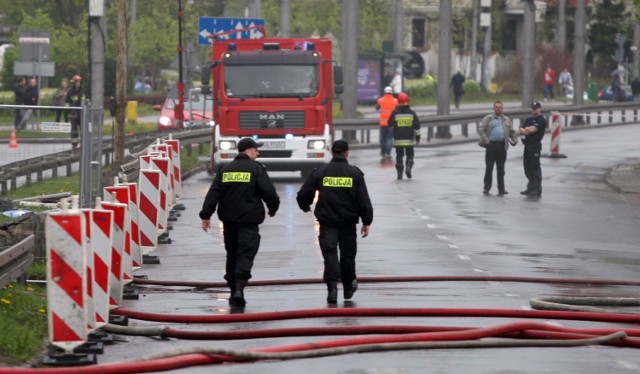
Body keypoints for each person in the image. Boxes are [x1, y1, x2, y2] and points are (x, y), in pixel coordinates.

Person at [199, 138, 280, 307]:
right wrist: (272, 209)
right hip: (249, 222)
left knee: (232, 255)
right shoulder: (256, 169)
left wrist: (206, 215)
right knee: (246, 254)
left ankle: (233, 288)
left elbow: (214, 193)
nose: (257, 154)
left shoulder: (225, 169)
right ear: (249, 150)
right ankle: (239, 288)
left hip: (229, 222)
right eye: (256, 150)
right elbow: (269, 193)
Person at [296, 140, 373, 304]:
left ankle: (332, 289)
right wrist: (366, 221)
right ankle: (348, 286)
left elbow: (304, 193)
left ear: (332, 152)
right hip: (348, 223)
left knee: (329, 254)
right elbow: (363, 200)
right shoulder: (355, 173)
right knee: (348, 255)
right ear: (347, 153)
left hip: (327, 222)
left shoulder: (321, 171)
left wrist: (305, 206)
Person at [478, 101, 518, 196]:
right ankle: (486, 188)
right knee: (489, 168)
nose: (498, 109)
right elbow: (481, 130)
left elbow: (512, 131)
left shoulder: (506, 120)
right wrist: (486, 141)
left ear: (502, 109)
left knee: (501, 169)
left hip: (502, 146)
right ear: (493, 108)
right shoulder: (488, 119)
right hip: (491, 145)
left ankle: (501, 188)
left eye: (500, 107)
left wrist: (514, 139)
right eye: (496, 107)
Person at [388, 92, 421, 180]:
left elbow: (389, 123)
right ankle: (408, 168)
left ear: (398, 102)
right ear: (408, 102)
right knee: (410, 155)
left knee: (399, 156)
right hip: (409, 140)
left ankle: (399, 174)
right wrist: (418, 138)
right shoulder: (412, 113)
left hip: (398, 140)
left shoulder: (395, 112)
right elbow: (417, 127)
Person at [519, 101, 547, 197]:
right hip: (527, 145)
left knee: (535, 167)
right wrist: (527, 129)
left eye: (536, 108)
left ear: (539, 109)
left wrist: (527, 129)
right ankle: (530, 187)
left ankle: (537, 189)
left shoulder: (541, 119)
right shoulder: (529, 119)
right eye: (533, 108)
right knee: (527, 167)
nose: (534, 110)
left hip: (535, 146)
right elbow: (521, 130)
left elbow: (533, 130)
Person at [376, 86, 398, 162]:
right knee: (389, 138)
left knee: (383, 139)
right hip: (391, 124)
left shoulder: (380, 100)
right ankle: (387, 154)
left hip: (383, 123)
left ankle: (382, 152)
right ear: (391, 92)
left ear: (385, 92)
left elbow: (376, 108)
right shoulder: (395, 101)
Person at [66, 75, 86, 149]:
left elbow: (87, 101)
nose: (77, 83)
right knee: (74, 130)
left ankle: (83, 144)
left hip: (82, 114)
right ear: (73, 83)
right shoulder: (70, 92)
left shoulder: (84, 91)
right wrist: (68, 112)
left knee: (82, 130)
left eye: (78, 82)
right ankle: (74, 144)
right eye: (76, 82)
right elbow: (67, 102)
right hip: (73, 114)